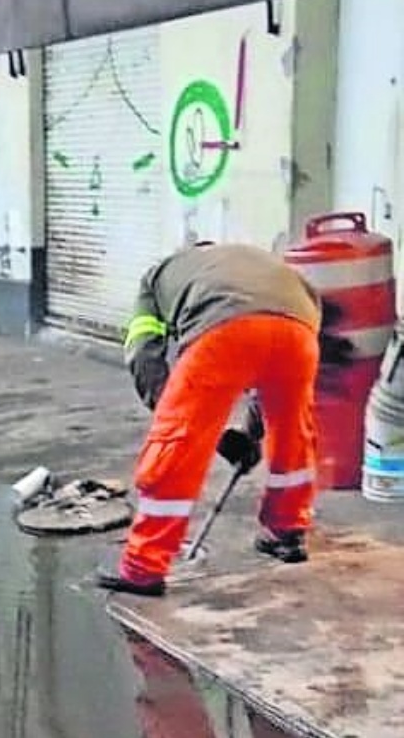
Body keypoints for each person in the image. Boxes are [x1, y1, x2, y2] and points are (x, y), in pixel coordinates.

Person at [96, 241, 336, 597]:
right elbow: (268, 367)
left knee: (175, 444)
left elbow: (145, 357)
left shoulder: (155, 279)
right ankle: (287, 534)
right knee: (292, 434)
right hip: (299, 332)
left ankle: (143, 568)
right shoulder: (250, 260)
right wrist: (248, 435)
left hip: (225, 331)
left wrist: (182, 416)